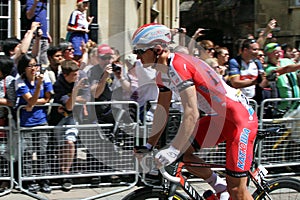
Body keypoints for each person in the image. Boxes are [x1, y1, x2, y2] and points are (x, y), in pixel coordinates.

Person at [132, 23, 258, 200]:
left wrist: (173, 149)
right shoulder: (162, 73)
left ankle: (227, 189)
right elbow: (162, 111)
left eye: (139, 51)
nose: (137, 57)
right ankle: (219, 187)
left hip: (241, 120)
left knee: (237, 190)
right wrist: (149, 145)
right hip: (219, 119)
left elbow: (192, 113)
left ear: (157, 49)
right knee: (184, 154)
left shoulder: (178, 65)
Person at [15, 53, 53, 193]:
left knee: (42, 152)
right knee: (27, 153)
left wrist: (33, 103)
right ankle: (29, 181)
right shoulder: (19, 81)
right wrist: (38, 87)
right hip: (26, 122)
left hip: (41, 121)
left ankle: (44, 180)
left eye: (36, 65)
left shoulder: (45, 76)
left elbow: (48, 97)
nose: (34, 69)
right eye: (30, 66)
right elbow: (29, 100)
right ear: (24, 68)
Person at [50, 60, 90, 191]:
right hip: (58, 119)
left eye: (77, 73)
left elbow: (85, 98)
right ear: (66, 75)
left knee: (70, 142)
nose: (77, 76)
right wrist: (76, 90)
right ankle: (59, 172)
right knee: (59, 147)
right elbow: (68, 105)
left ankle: (66, 174)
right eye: (74, 74)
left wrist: (75, 98)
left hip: (72, 117)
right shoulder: (59, 85)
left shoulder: (81, 78)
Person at [228, 39, 268, 104]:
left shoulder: (257, 62)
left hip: (254, 100)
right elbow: (235, 83)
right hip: (238, 100)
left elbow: (262, 84)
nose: (257, 52)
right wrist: (255, 81)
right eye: (254, 50)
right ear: (245, 50)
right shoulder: (235, 62)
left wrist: (269, 79)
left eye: (258, 49)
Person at [264, 43, 300, 110]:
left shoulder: (287, 61)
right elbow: (286, 69)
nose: (279, 54)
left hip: (296, 104)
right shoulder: (268, 68)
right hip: (282, 106)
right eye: (276, 52)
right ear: (268, 54)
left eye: (280, 52)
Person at [0, 56, 16, 191]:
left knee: (4, 153)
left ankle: (5, 180)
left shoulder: (9, 81)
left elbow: (12, 102)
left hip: (4, 123)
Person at [26, 0, 52, 65]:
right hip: (35, 36)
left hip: (44, 36)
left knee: (44, 61)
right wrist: (35, 3)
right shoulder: (31, 1)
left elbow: (42, 19)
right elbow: (29, 16)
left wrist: (47, 33)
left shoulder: (44, 3)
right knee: (35, 60)